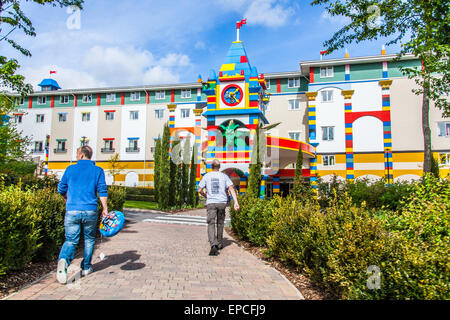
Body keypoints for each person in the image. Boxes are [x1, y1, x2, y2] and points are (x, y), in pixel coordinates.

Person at [56, 145, 108, 284]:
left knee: (71, 240)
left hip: (72, 210)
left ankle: (63, 262)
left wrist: (67, 198)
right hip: (90, 210)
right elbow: (102, 190)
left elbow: (61, 188)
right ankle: (86, 267)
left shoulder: (70, 169)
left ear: (81, 155)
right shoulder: (98, 170)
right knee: (89, 239)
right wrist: (105, 208)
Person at [198, 159, 240, 256]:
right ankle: (219, 243)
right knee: (220, 223)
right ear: (219, 167)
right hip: (222, 203)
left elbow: (200, 190)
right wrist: (236, 202)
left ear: (211, 167)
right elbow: (231, 188)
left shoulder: (206, 176)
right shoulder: (224, 176)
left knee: (211, 223)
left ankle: (213, 245)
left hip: (211, 203)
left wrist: (205, 196)